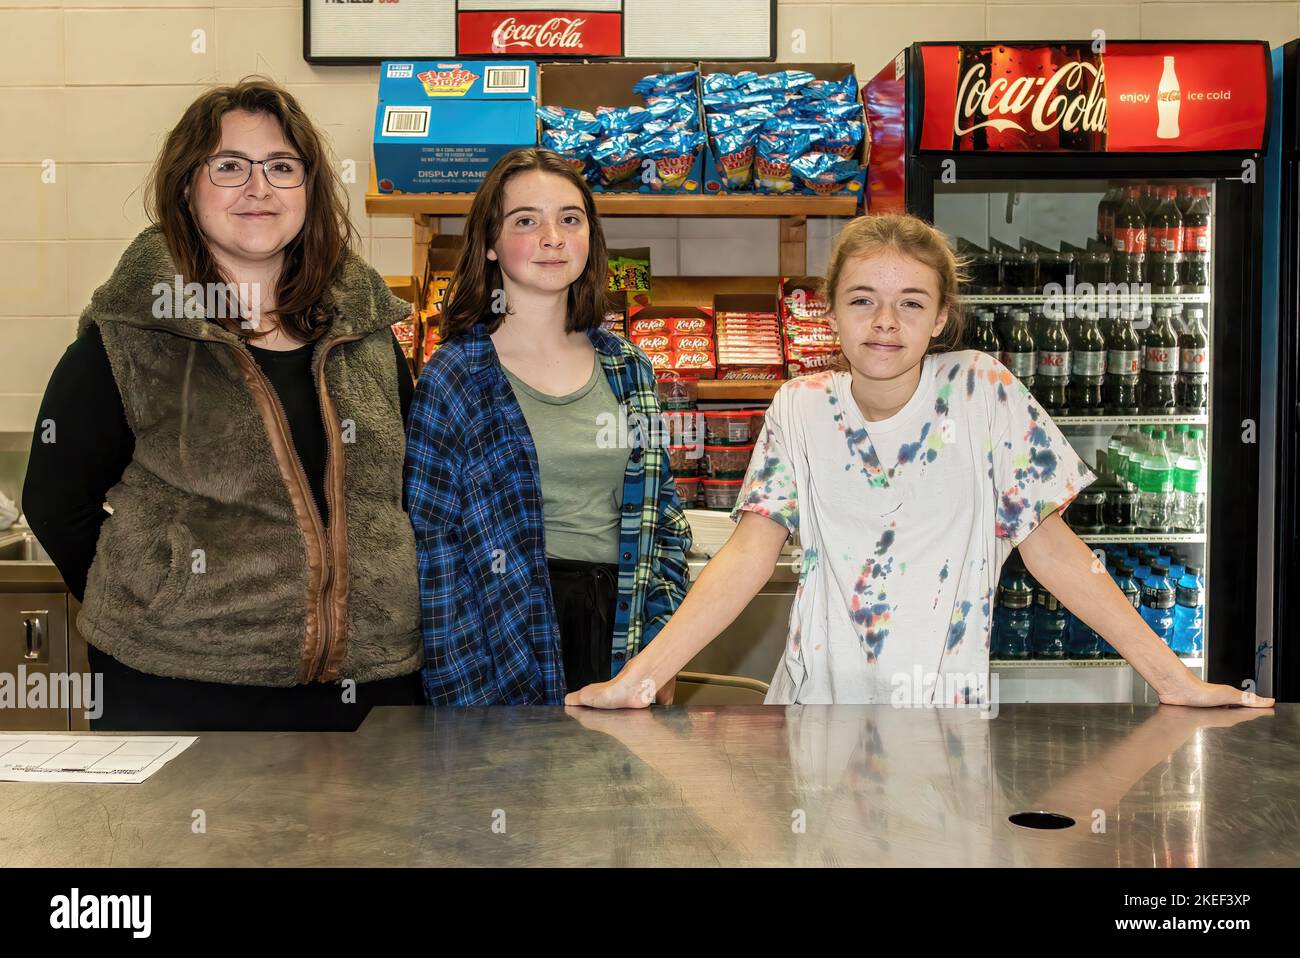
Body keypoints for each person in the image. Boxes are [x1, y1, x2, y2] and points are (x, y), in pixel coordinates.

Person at [565, 213, 1273, 710]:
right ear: (831, 314)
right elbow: (747, 558)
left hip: (943, 723)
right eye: (863, 301)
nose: (885, 323)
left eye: (911, 303)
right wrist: (643, 676)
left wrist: (1170, 678)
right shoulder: (799, 406)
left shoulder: (983, 391)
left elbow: (1055, 552)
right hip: (814, 716)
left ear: (940, 318)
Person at [22, 77, 423, 731]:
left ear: (309, 190)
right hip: (181, 688)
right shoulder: (132, 335)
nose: (258, 188)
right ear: (188, 186)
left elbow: (403, 492)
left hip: (368, 690)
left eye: (281, 168)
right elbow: (53, 501)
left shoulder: (367, 335)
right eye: (230, 166)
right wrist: (159, 595)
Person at [405, 147, 691, 705]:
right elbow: (434, 553)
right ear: (490, 242)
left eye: (569, 219)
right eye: (526, 221)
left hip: (624, 631)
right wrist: (467, 700)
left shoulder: (628, 368)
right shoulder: (456, 378)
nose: (552, 237)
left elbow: (666, 520)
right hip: (505, 634)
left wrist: (663, 649)